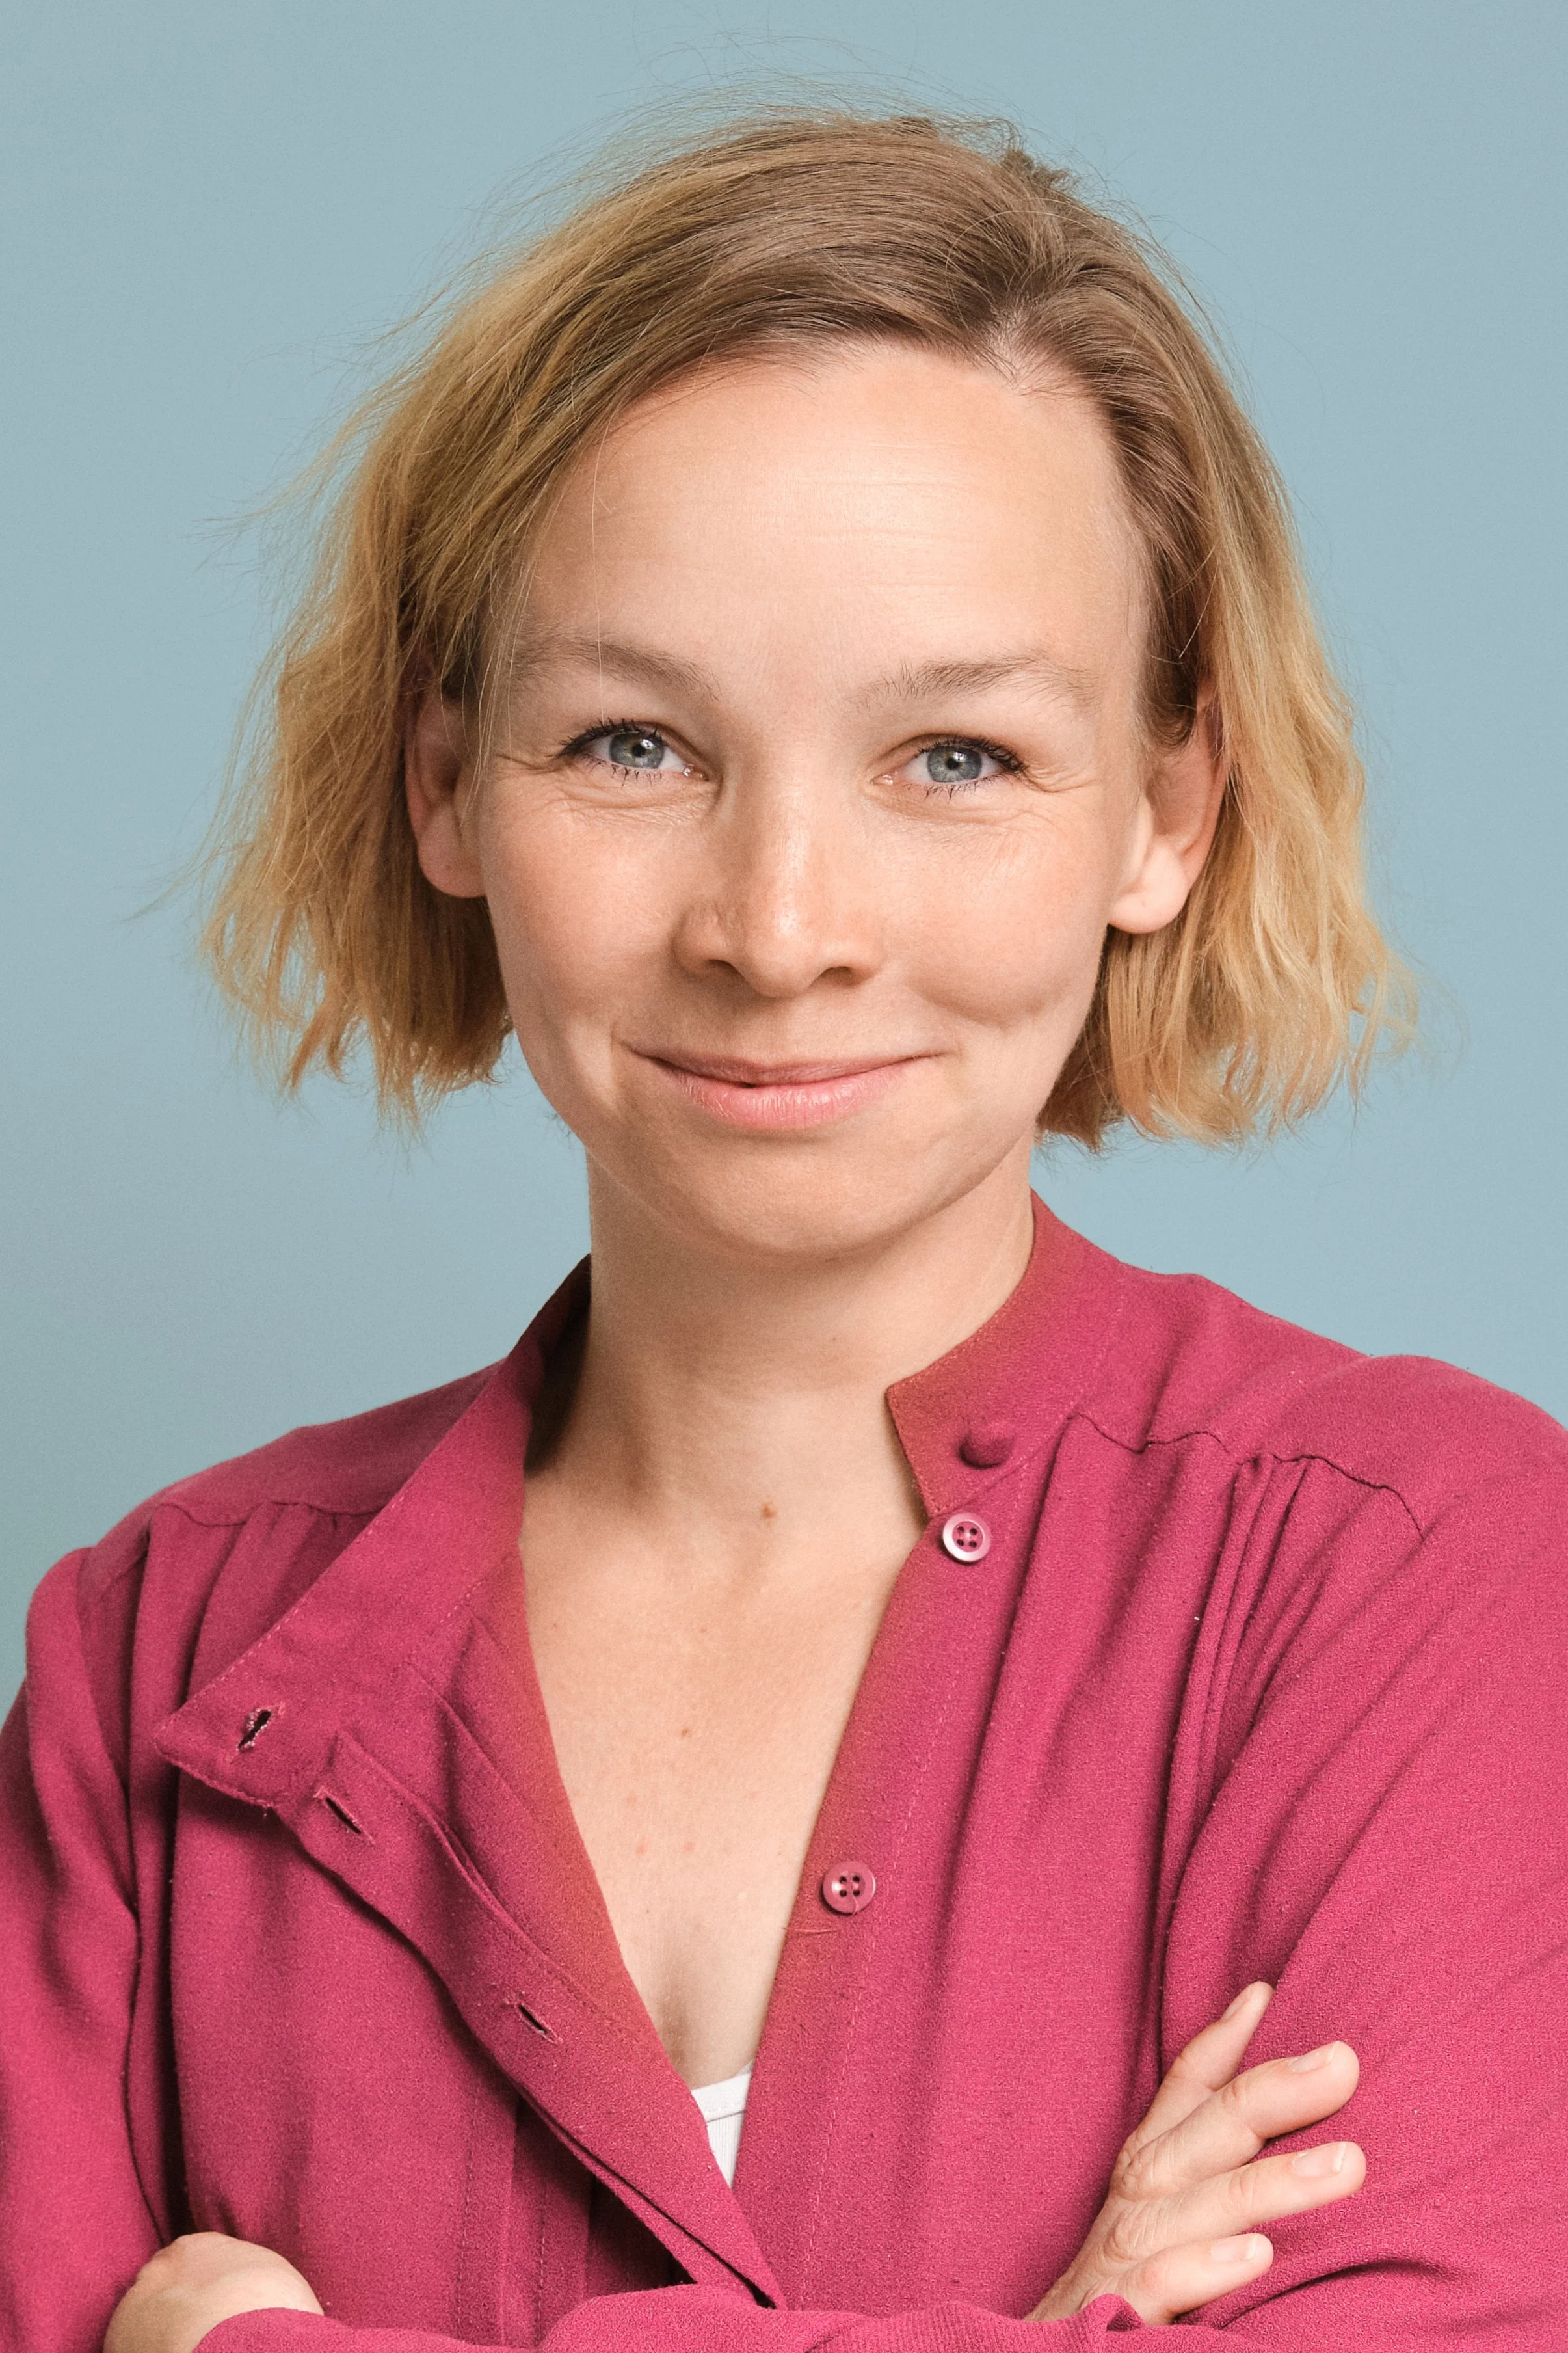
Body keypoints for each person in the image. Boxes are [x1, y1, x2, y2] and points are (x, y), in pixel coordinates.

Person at [3, 109, 1563, 2353]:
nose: (779, 927)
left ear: (1169, 814)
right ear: (446, 783)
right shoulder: (153, 1662)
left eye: (956, 758)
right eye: (633, 745)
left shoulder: (1425, 1570)